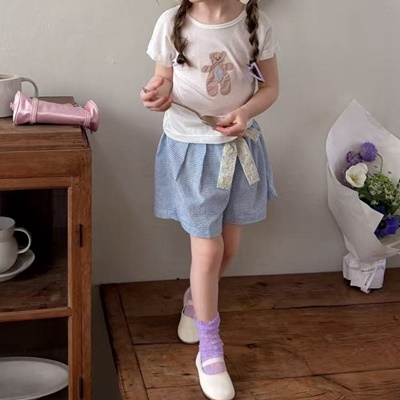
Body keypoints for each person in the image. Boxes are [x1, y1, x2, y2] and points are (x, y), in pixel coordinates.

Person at [140, 0, 279, 399]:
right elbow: (163, 78)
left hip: (238, 148)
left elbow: (271, 87)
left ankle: (194, 302)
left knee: (227, 250)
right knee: (208, 252)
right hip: (191, 150)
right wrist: (157, 91)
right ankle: (210, 348)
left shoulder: (256, 23)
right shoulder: (171, 22)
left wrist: (246, 112)